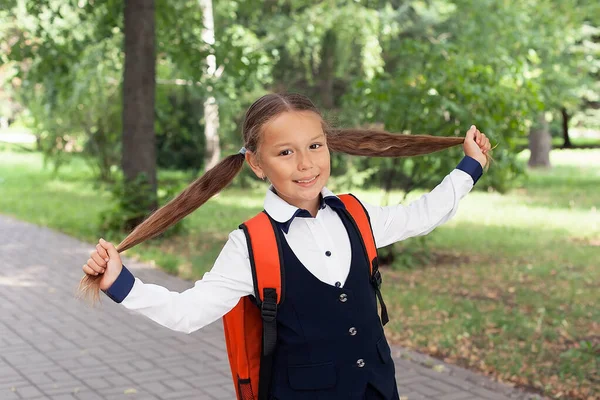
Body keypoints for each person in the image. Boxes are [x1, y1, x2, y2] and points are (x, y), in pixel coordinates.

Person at [80, 93, 492, 399]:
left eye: (315, 146)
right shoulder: (250, 245)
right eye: (285, 152)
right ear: (257, 164)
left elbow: (422, 213)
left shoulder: (357, 213)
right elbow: (188, 313)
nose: (306, 164)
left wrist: (470, 166)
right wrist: (121, 284)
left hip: (378, 388)